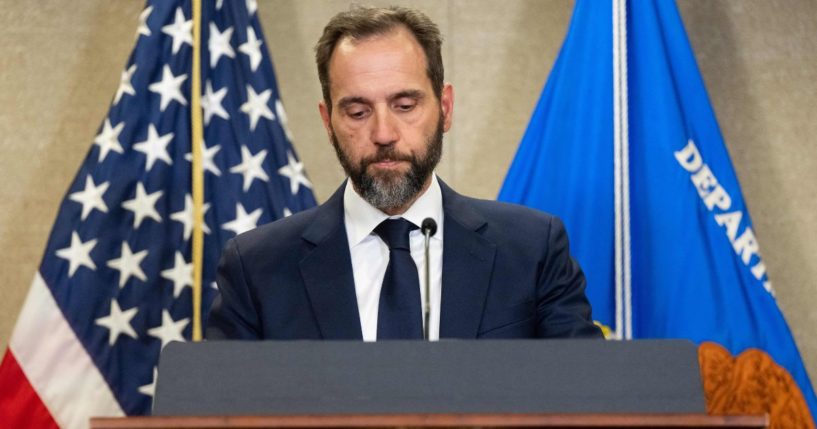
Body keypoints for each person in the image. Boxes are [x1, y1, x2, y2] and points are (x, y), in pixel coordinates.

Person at [206, 5, 602, 341]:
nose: (383, 134)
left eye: (405, 105)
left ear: (445, 108)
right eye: (358, 112)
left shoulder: (533, 250)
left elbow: (587, 400)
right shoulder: (257, 268)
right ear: (328, 122)